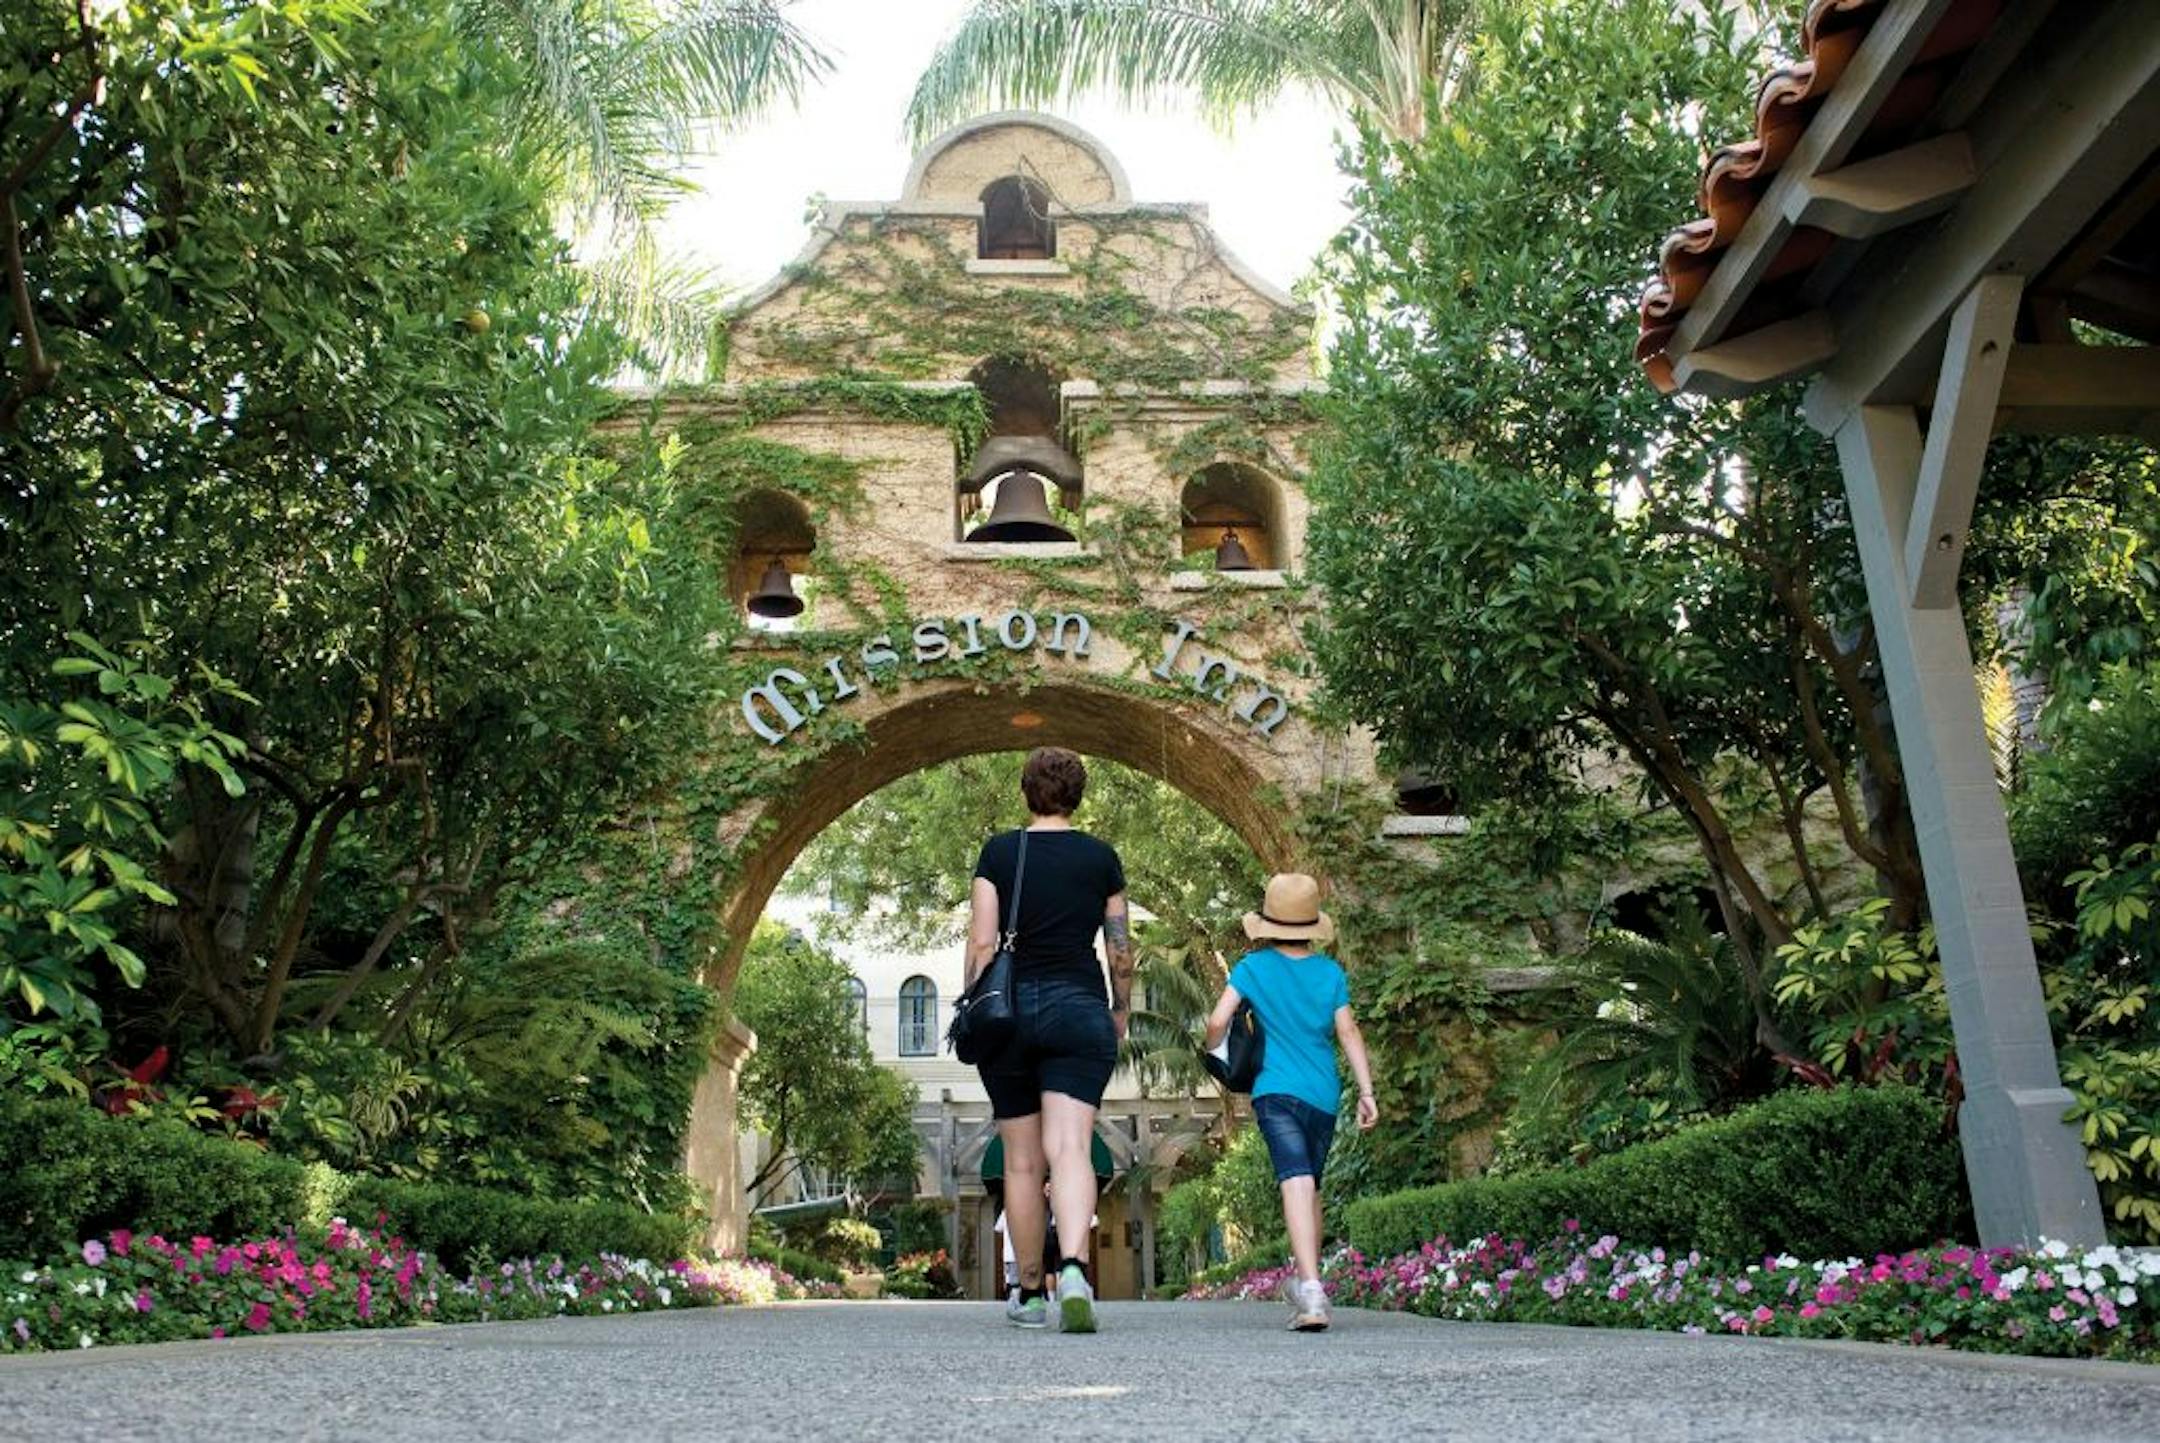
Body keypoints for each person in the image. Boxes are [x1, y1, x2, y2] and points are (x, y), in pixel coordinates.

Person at [968, 747, 1132, 1333]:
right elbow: (1119, 946)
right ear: (1078, 795)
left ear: (1026, 793)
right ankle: (1076, 1272)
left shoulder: (1000, 852)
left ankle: (1031, 1292)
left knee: (1020, 1160)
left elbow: (983, 946)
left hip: (1009, 1014)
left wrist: (977, 1007)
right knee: (1070, 1148)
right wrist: (1119, 1008)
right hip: (1079, 1008)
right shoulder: (1101, 858)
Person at [1203, 872, 1377, 1332]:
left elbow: (1218, 1020)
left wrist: (1218, 1053)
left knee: (1296, 1181)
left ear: (1268, 923)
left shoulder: (1253, 969)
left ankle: (1311, 1289)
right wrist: (1367, 1092)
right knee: (1307, 1185)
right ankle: (1309, 1283)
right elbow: (1348, 1032)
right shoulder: (1330, 973)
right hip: (1322, 1092)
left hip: (1274, 1091)